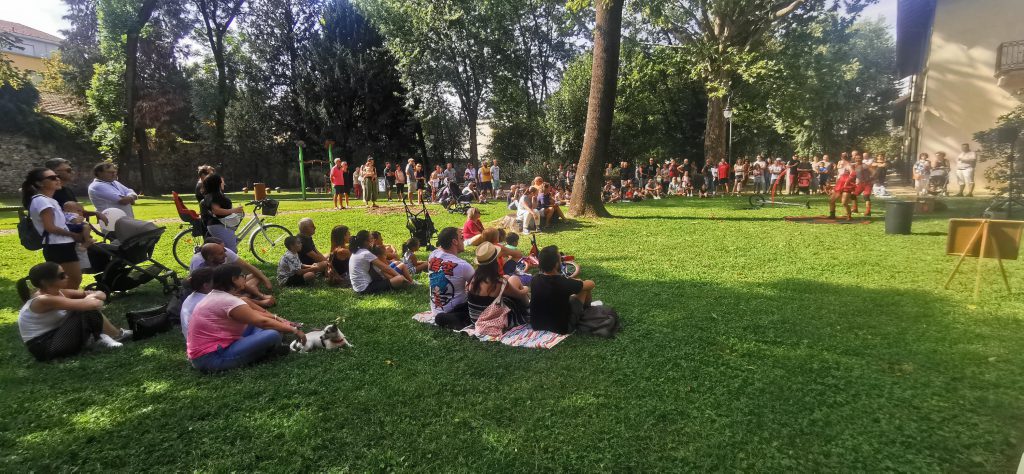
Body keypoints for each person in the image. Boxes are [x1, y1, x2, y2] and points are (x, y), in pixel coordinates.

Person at [187, 264, 305, 373]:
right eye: (242, 276)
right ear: (234, 279)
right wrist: (294, 330)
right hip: (212, 358)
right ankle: (265, 353)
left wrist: (280, 321)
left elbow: (254, 315)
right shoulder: (227, 301)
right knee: (273, 334)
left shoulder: (215, 296)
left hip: (214, 350)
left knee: (270, 328)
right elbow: (262, 322)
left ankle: (266, 348)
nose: (244, 278)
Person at [17, 262, 131, 361]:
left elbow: (101, 294)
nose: (67, 276)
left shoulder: (60, 292)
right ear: (45, 282)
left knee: (84, 307)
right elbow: (94, 303)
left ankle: (111, 336)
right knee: (83, 309)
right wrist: (89, 299)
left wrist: (91, 297)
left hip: (58, 336)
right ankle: (104, 337)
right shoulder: (43, 300)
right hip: (46, 347)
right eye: (62, 275)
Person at [23, 168, 91, 290]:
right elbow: (50, 227)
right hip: (58, 245)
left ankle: (65, 301)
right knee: (72, 280)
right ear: (39, 183)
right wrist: (73, 235)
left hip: (62, 244)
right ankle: (62, 301)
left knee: (72, 280)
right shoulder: (41, 201)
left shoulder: (50, 200)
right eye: (52, 178)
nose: (57, 179)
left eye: (57, 176)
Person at [529, 245, 595, 335]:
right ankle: (588, 310)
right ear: (556, 264)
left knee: (576, 288)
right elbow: (591, 284)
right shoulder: (563, 282)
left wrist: (576, 282)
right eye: (560, 259)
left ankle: (586, 309)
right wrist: (581, 282)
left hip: (537, 325)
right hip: (561, 328)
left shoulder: (535, 279)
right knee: (584, 289)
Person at [191, 242, 275, 307]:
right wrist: (261, 302)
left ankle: (248, 291)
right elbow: (223, 296)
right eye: (221, 254)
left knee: (256, 274)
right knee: (240, 295)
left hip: (227, 289)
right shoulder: (205, 273)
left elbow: (245, 266)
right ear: (210, 258)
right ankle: (251, 293)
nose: (225, 255)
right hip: (216, 297)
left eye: (224, 251)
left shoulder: (219, 265)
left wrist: (262, 292)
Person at [466, 242, 530, 328]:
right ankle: (528, 310)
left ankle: (528, 308)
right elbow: (519, 294)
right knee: (515, 279)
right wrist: (526, 288)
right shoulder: (498, 282)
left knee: (507, 277)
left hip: (475, 319)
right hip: (491, 322)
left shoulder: (474, 278)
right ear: (495, 261)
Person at [428, 227, 476, 329]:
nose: (463, 240)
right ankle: (456, 318)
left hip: (436, 309)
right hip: (457, 309)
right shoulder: (463, 266)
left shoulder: (433, 255)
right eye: (461, 237)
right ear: (455, 242)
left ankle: (446, 318)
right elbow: (478, 288)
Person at [347, 230, 410, 294]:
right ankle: (409, 282)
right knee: (400, 278)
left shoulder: (357, 251)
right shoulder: (365, 253)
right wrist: (400, 277)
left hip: (360, 287)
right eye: (371, 239)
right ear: (366, 242)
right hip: (365, 289)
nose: (373, 241)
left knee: (396, 277)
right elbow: (385, 267)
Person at [200, 173, 243, 252]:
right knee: (231, 250)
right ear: (217, 183)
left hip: (218, 225)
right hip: (219, 225)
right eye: (222, 181)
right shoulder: (214, 195)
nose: (224, 183)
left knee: (225, 250)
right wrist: (234, 210)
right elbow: (216, 210)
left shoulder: (212, 195)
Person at [180, 267, 214, 338]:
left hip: (193, 339)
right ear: (206, 285)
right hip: (206, 342)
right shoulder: (208, 302)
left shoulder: (193, 296)